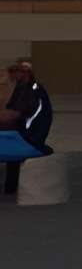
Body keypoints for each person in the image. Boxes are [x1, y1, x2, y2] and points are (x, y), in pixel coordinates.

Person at [0, 59, 53, 199]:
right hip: (24, 135)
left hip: (28, 139)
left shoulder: (29, 90)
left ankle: (10, 188)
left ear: (25, 73)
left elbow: (11, 116)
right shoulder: (23, 87)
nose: (11, 74)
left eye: (14, 71)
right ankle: (10, 188)